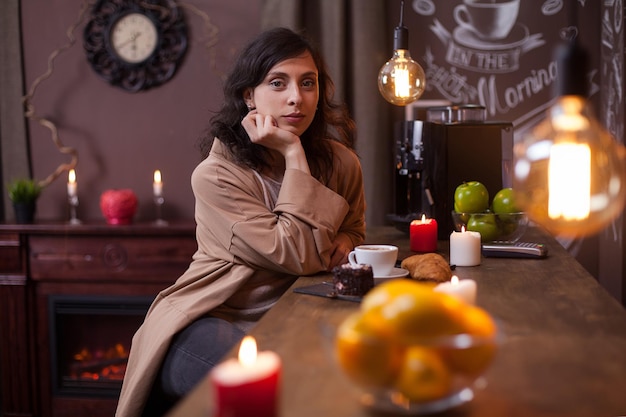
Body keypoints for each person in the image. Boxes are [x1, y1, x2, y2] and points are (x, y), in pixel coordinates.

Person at [115, 27, 366, 417]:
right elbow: (297, 254)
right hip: (212, 318)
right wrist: (293, 154)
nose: (296, 97)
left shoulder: (341, 164)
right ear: (249, 95)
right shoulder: (215, 177)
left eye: (308, 83)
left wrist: (347, 241)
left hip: (294, 316)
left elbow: (353, 225)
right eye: (277, 83)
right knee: (280, 395)